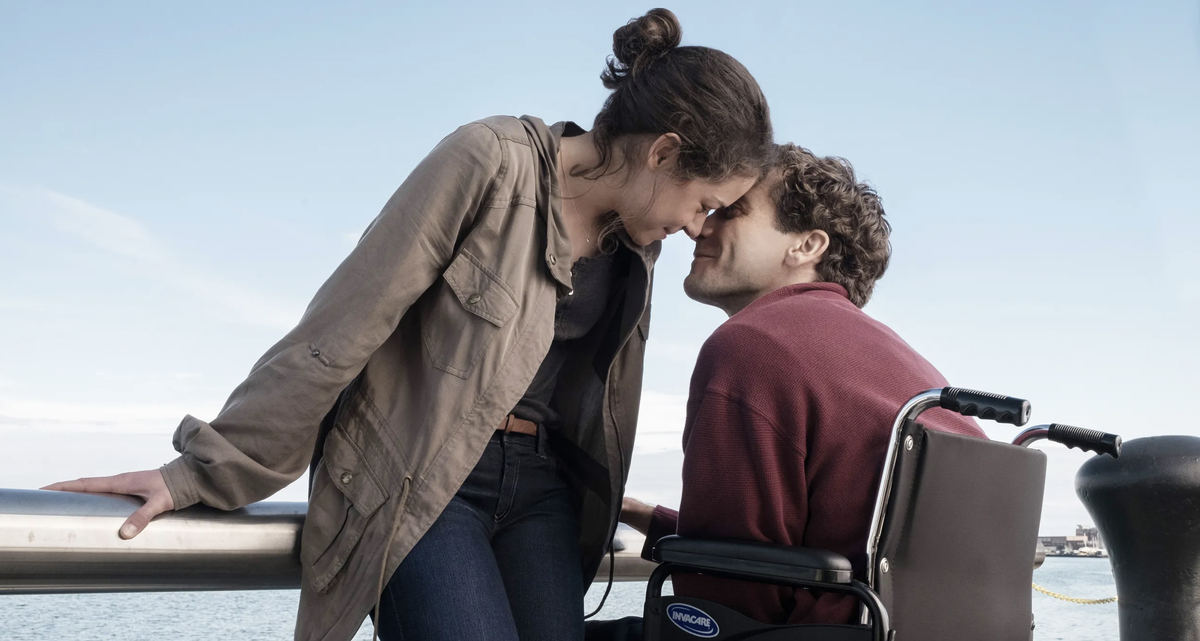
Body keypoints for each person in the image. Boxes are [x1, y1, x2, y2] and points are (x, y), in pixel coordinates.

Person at [44, 9, 773, 641]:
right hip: (427, 480)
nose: (695, 226)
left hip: (544, 493)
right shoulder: (490, 162)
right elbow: (341, 326)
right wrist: (206, 468)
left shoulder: (633, 243)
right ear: (665, 152)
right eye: (705, 203)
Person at [609, 144, 985, 635]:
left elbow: (726, 590)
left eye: (732, 213)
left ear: (807, 246)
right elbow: (797, 547)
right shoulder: (909, 368)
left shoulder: (751, 345)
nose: (699, 227)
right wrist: (643, 515)